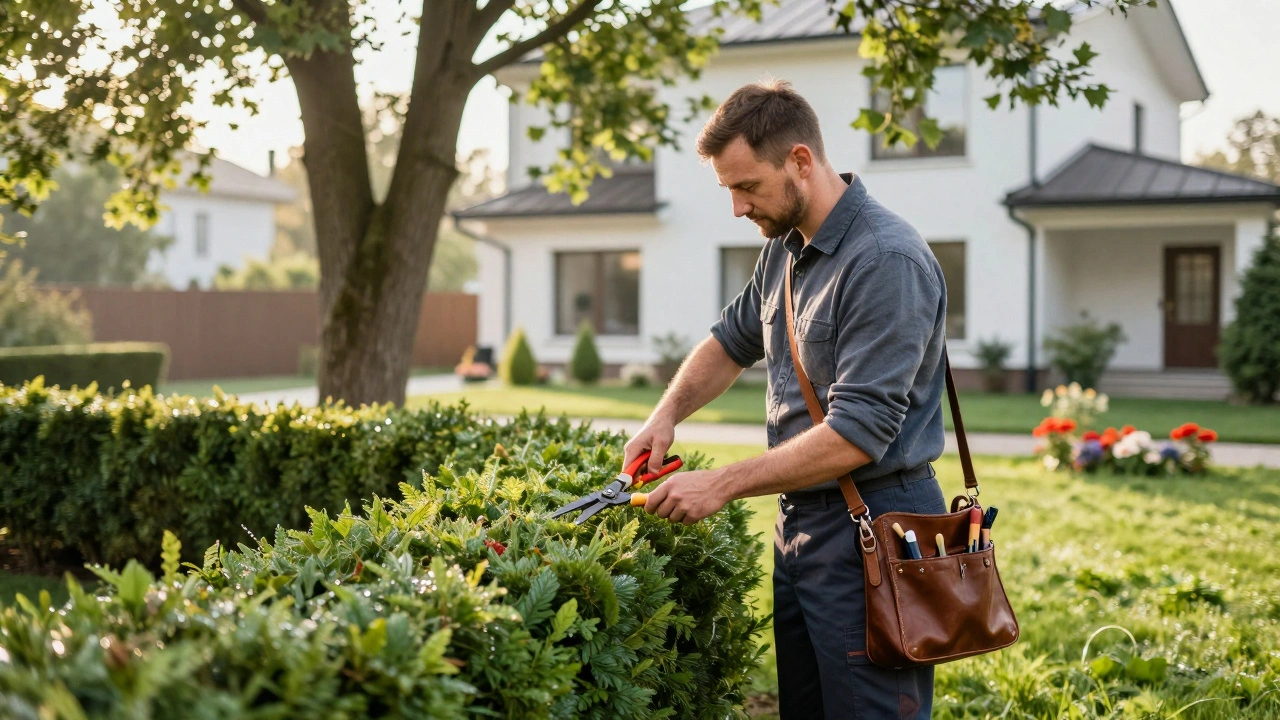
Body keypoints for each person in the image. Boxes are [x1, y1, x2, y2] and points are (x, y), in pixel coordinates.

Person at [623, 79, 948, 719]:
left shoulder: (885, 259)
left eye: (747, 187)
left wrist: (719, 485)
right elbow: (729, 341)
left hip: (878, 528)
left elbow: (859, 433)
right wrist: (663, 416)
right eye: (728, 190)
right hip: (802, 525)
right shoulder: (784, 251)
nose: (738, 209)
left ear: (801, 161)